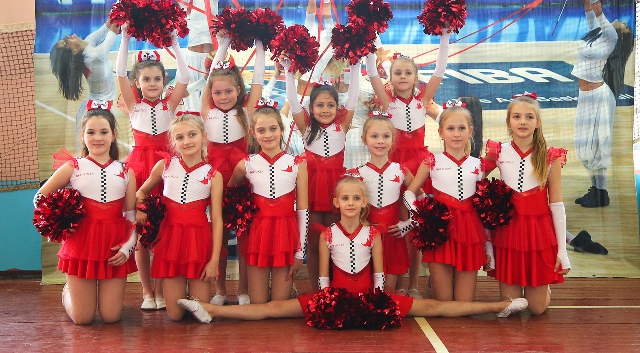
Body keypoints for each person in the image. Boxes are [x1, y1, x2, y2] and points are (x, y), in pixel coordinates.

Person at [177, 176, 528, 324]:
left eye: (356, 198)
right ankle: (208, 309)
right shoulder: (327, 234)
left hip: (370, 297)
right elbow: (324, 274)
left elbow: (379, 271)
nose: (349, 203)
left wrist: (378, 296)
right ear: (336, 203)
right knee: (272, 309)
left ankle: (500, 305)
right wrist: (325, 297)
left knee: (435, 307)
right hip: (335, 297)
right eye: (344, 198)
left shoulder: (374, 232)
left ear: (364, 204)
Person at [366, 30, 451, 298]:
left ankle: (414, 283)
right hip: (395, 165)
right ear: (390, 78)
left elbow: (439, 70)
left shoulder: (423, 100)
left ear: (416, 77)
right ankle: (399, 282)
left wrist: (444, 36)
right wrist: (366, 45)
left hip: (419, 166)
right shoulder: (387, 101)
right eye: (397, 73)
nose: (402, 77)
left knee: (416, 226)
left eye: (407, 73)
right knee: (398, 225)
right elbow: (372, 74)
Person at [35, 103, 137, 324]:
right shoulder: (73, 166)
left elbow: (131, 216)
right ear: (82, 136)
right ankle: (68, 292)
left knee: (111, 317)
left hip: (114, 245)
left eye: (103, 132)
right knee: (83, 319)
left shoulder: (126, 171)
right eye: (91, 132)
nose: (97, 138)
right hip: (81, 242)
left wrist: (128, 248)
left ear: (113, 135)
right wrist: (60, 224)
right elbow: (39, 198)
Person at [116, 25, 190, 310]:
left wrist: (174, 42)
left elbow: (184, 76)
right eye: (146, 79)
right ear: (137, 82)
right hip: (140, 169)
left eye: (157, 78)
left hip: (166, 169)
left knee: (162, 232)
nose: (152, 83)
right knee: (140, 234)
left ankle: (160, 290)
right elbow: (119, 73)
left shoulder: (169, 105)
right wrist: (125, 37)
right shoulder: (134, 105)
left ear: (163, 80)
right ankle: (147, 292)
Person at [484, 94, 570, 315]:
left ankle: (543, 289)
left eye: (529, 117)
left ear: (538, 122)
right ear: (508, 122)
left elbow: (557, 204)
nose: (523, 121)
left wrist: (562, 251)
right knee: (512, 306)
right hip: (508, 232)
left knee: (536, 309)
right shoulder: (498, 151)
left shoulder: (550, 156)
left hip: (538, 233)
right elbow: (475, 182)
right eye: (517, 116)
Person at [282, 49, 360, 292]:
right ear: (311, 107)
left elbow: (353, 96)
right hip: (312, 191)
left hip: (337, 191)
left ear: (338, 107)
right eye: (320, 105)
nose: (325, 110)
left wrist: (356, 63)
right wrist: (288, 71)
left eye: (330, 105)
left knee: (337, 240)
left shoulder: (342, 125)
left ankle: (337, 286)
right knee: (314, 242)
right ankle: (318, 289)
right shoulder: (306, 126)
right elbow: (293, 99)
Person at [136, 112, 223, 321]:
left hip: (198, 242)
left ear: (203, 136)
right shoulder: (165, 166)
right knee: (175, 315)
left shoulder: (213, 174)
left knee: (199, 312)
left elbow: (217, 220)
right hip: (171, 241)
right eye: (180, 137)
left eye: (192, 134)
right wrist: (140, 208)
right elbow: (141, 192)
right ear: (173, 142)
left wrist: (214, 261)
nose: (187, 141)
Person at [404, 102, 492, 302]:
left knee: (463, 305)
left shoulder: (478, 165)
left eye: (461, 128)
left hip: (469, 232)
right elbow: (409, 193)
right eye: (450, 128)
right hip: (440, 232)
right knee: (444, 304)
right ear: (441, 132)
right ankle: (435, 283)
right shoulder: (431, 162)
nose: (456, 134)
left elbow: (483, 208)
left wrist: (489, 248)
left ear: (470, 131)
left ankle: (439, 284)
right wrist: (421, 215)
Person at [202, 32, 266, 306]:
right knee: (217, 234)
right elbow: (209, 79)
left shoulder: (246, 110)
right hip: (215, 176)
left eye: (229, 91)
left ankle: (242, 290)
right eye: (217, 92)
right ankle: (219, 290)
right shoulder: (207, 111)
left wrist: (261, 44)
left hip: (241, 177)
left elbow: (258, 80)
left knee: (243, 235)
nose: (223, 96)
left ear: (239, 90)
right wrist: (224, 44)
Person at [226, 105, 309, 304]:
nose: (268, 135)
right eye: (261, 130)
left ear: (281, 129)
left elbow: (303, 210)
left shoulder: (297, 164)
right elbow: (229, 196)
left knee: (278, 305)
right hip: (257, 235)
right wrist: (241, 214)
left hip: (285, 236)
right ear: (253, 133)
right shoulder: (246, 164)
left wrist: (300, 253)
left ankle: (286, 291)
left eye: (273, 129)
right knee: (259, 303)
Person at [572, 0, 634, 208]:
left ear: (622, 35)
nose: (621, 21)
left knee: (600, 146)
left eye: (625, 25)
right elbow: (588, 5)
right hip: (585, 95)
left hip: (599, 96)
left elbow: (596, 7)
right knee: (583, 146)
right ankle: (595, 189)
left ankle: (601, 192)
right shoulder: (596, 31)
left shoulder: (610, 35)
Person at [347, 114, 416, 292]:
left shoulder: (401, 170)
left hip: (392, 238)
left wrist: (409, 224)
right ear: (364, 139)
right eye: (374, 136)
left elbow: (422, 201)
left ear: (393, 140)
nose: (380, 141)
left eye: (386, 136)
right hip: (365, 239)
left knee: (387, 293)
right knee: (366, 289)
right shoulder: (356, 174)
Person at [50, 19, 119, 151]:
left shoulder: (88, 44)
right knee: (97, 150)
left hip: (94, 104)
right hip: (100, 109)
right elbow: (114, 29)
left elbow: (105, 28)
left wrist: (116, 10)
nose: (66, 37)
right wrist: (123, 11)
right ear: (74, 51)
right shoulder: (93, 57)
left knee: (97, 149)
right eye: (66, 42)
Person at [177, 0, 220, 111]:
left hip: (212, 57)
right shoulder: (185, 0)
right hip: (192, 59)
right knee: (192, 106)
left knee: (213, 107)